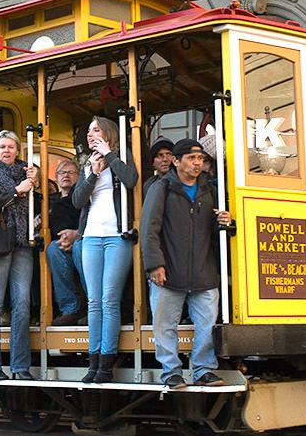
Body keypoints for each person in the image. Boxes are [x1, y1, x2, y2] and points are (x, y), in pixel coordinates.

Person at [141, 138, 231, 388]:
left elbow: (212, 232)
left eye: (201, 159)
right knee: (165, 325)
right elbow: (149, 228)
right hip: (168, 271)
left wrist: (224, 222)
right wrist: (154, 265)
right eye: (192, 158)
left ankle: (203, 369)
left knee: (206, 324)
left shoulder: (210, 189)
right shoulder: (161, 188)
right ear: (176, 161)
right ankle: (171, 371)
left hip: (203, 270)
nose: (197, 163)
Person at [72, 116, 138, 383]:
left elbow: (130, 179)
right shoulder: (88, 163)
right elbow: (78, 200)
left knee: (109, 300)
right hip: (91, 237)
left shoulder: (120, 157)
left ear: (109, 133)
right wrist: (94, 172)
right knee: (94, 302)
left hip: (116, 236)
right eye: (88, 130)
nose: (91, 134)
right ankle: (93, 360)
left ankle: (107, 362)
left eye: (96, 130)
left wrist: (109, 156)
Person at [0, 129, 39, 380]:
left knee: (22, 304)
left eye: (11, 147)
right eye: (2, 147)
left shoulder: (28, 172)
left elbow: (41, 200)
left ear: (17, 150)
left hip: (23, 242)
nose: (6, 151)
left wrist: (35, 182)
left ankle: (20, 366)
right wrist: (18, 190)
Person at [47, 159, 83, 326]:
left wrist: (76, 234)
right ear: (56, 177)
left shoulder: (83, 195)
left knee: (79, 248)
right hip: (59, 244)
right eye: (62, 172)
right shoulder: (49, 200)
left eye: (71, 172)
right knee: (53, 249)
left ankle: (92, 305)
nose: (66, 175)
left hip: (82, 239)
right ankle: (70, 308)